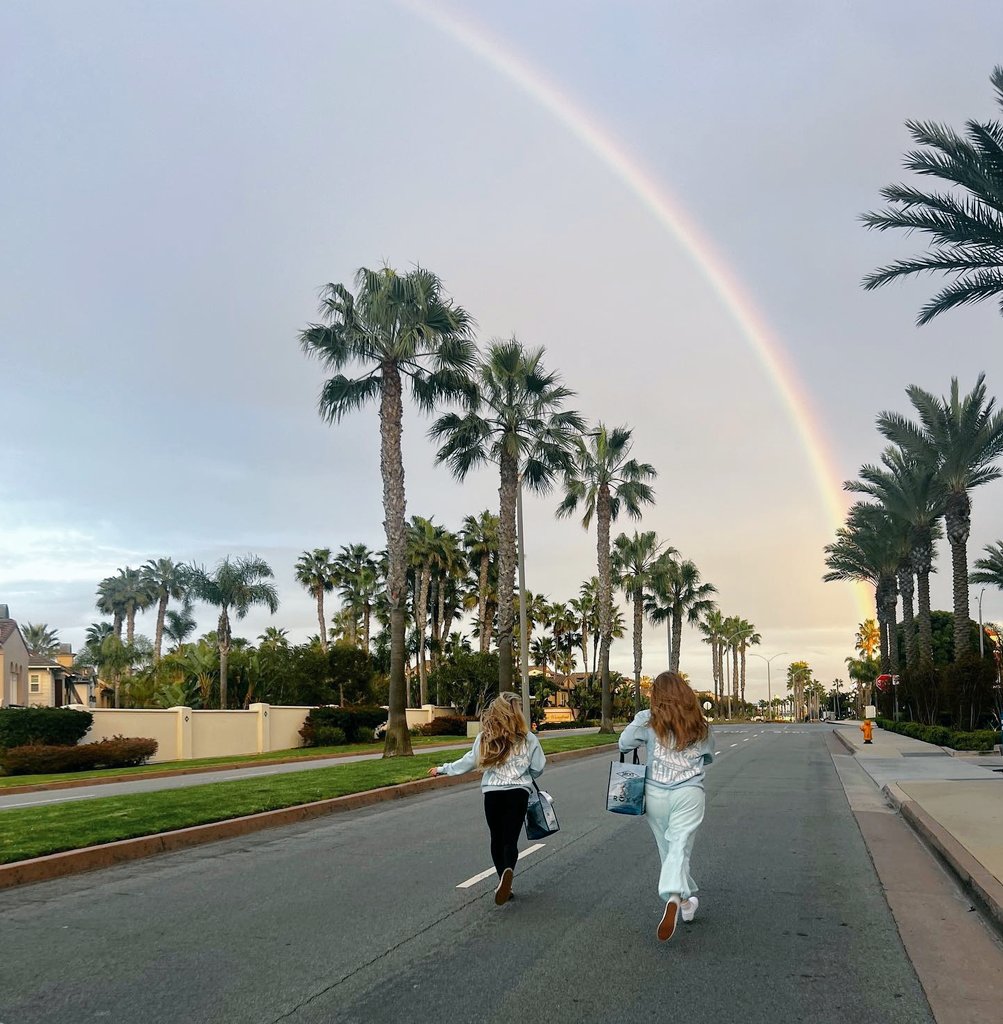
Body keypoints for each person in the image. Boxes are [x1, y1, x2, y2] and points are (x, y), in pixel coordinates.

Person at [619, 671, 715, 942]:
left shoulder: (648, 722)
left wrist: (641, 718)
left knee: (669, 849)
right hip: (689, 792)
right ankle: (674, 896)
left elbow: (624, 742)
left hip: (655, 794)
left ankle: (685, 905)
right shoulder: (701, 724)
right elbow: (708, 757)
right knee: (679, 846)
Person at [428, 692, 546, 905]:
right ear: (516, 711)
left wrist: (443, 769)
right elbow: (538, 767)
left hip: (492, 793)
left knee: (496, 837)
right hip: (518, 792)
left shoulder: (485, 737)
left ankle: (502, 877)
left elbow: (469, 762)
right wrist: (525, 775)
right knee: (510, 839)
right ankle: (508, 873)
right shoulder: (528, 738)